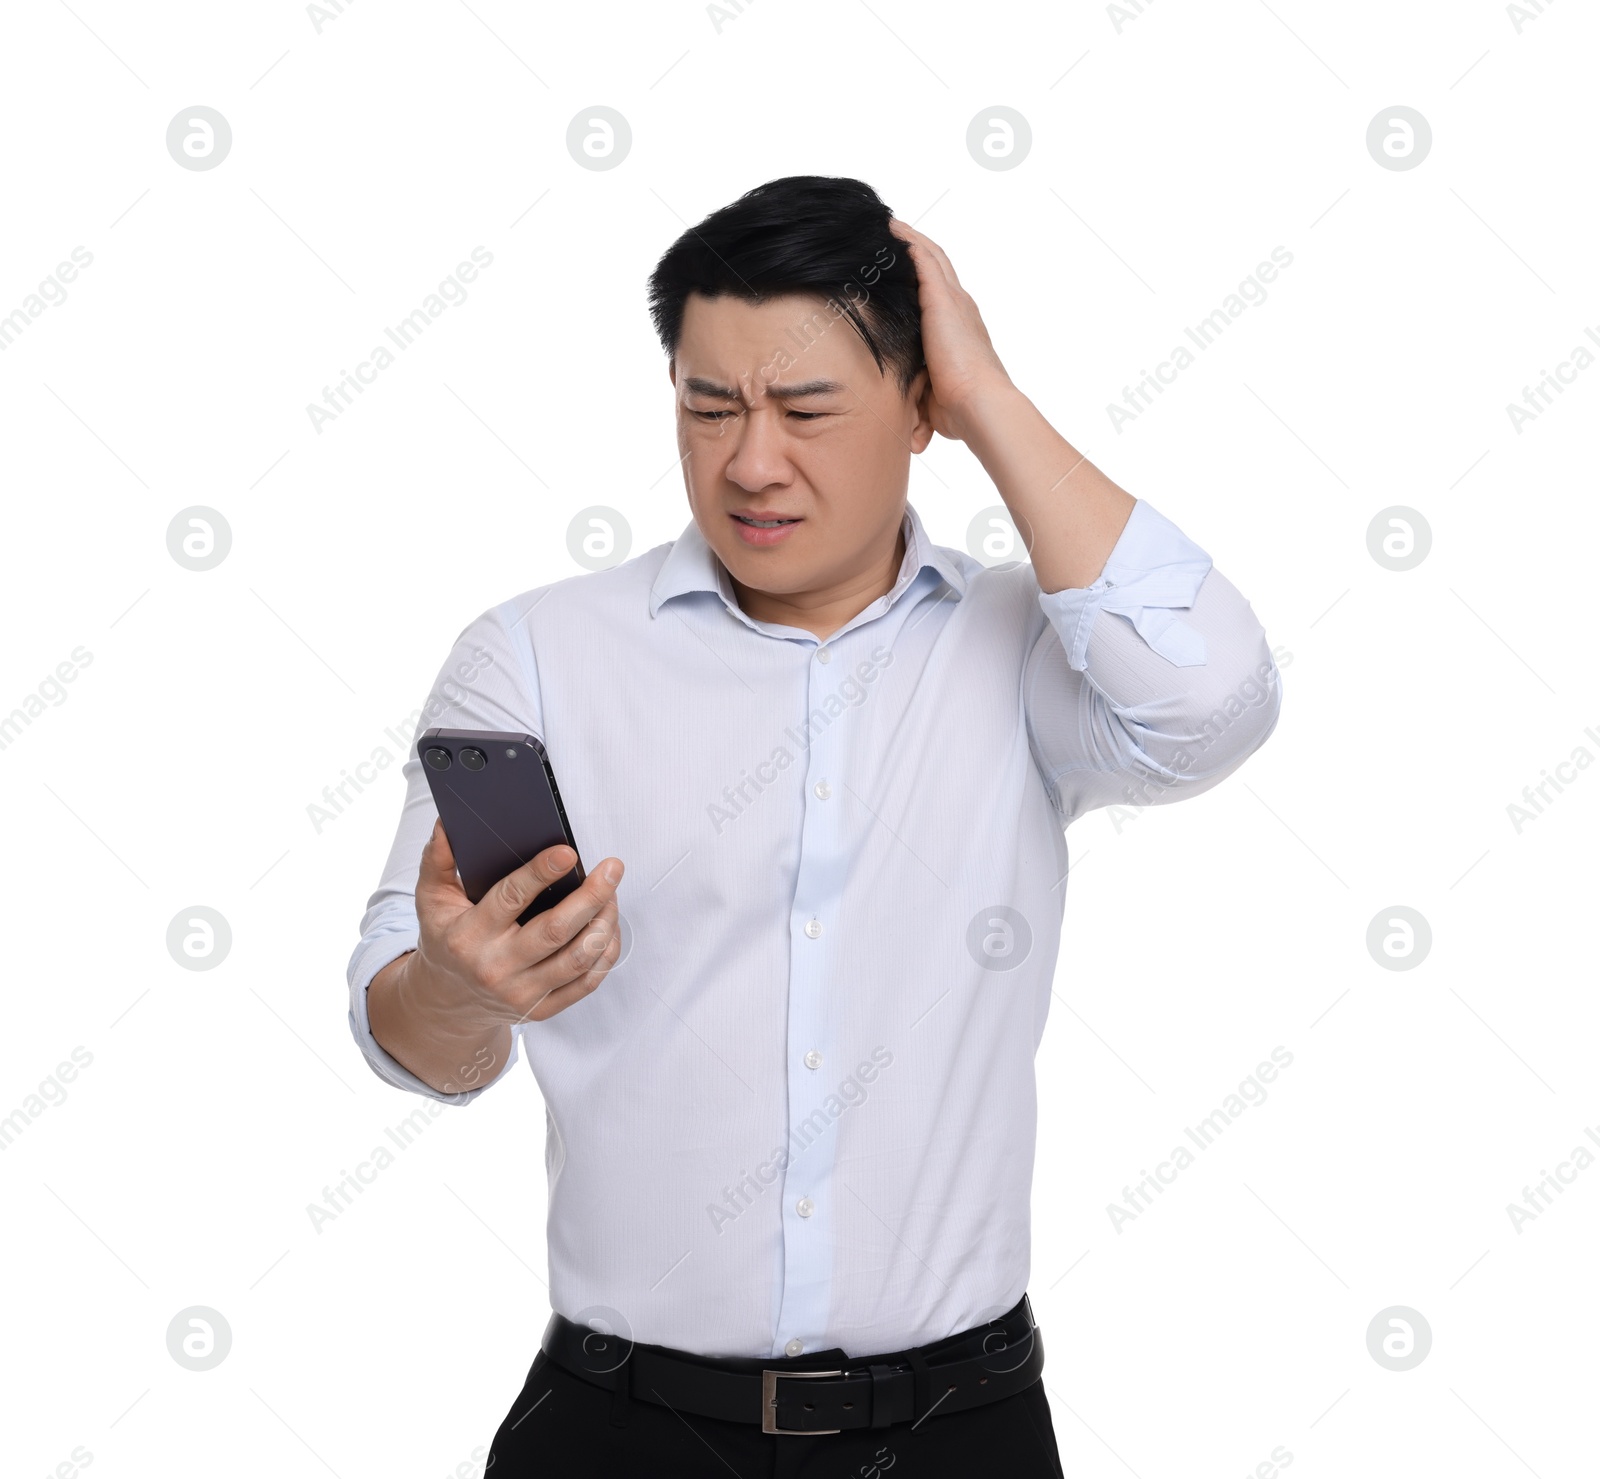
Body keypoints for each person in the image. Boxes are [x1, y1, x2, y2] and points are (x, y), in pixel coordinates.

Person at [347, 175, 1282, 1476]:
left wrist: (993, 403)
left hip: (961, 1431)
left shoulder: (1020, 650)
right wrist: (461, 990)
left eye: (805, 410)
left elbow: (1213, 704)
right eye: (709, 406)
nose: (749, 463)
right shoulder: (537, 660)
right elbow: (408, 1042)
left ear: (916, 410)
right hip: (623, 1433)